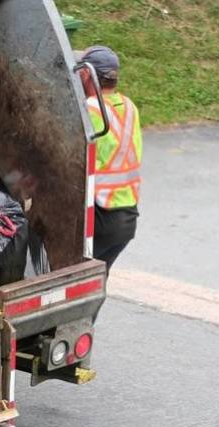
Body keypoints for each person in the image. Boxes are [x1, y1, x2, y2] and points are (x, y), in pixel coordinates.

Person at [75, 46, 142, 272]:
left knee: (66, 276)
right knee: (94, 282)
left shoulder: (90, 109)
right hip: (127, 218)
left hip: (100, 216)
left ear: (86, 74)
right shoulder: (129, 106)